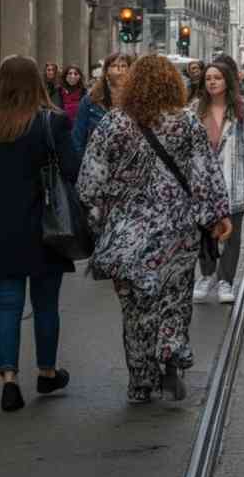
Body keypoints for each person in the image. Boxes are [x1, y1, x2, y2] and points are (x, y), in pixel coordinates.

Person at [78, 56, 232, 403]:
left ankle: (141, 379)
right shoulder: (187, 123)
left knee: (135, 309)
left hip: (126, 235)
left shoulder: (113, 123)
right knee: (174, 300)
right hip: (177, 232)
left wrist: (101, 216)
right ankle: (171, 355)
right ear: (172, 84)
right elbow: (205, 174)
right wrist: (218, 216)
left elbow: (89, 183)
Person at [0, 55, 77, 412]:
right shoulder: (52, 122)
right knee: (45, 305)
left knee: (7, 307)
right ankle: (46, 371)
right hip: (46, 226)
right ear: (37, 83)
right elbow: (73, 171)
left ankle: (9, 381)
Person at [191, 60, 244, 305]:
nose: (212, 82)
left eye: (217, 78)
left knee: (233, 234)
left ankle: (225, 280)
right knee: (206, 232)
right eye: (208, 78)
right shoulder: (195, 110)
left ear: (227, 81)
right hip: (203, 184)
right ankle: (207, 275)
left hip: (233, 180)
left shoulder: (241, 110)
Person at [72, 53, 129, 155]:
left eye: (124, 66)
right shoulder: (91, 100)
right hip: (97, 160)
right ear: (106, 71)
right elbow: (78, 136)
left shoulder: (136, 100)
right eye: (114, 66)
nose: (119, 70)